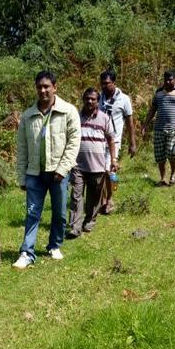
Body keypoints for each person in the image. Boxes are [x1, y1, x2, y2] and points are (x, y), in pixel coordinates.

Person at [13, 70, 81, 268]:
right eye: (39, 87)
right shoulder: (27, 116)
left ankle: (54, 245)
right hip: (34, 173)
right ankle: (27, 252)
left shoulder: (68, 111)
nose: (43, 90)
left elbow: (73, 142)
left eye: (46, 86)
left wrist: (63, 168)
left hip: (59, 173)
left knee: (59, 213)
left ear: (55, 87)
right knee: (33, 213)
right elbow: (22, 148)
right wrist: (22, 177)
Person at [67, 88, 117, 238]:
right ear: (83, 99)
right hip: (77, 165)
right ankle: (75, 227)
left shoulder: (104, 118)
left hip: (98, 166)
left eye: (93, 99)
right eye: (87, 98)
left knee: (94, 197)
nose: (89, 101)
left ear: (97, 101)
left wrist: (113, 160)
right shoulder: (76, 117)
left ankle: (89, 221)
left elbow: (111, 140)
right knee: (76, 196)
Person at [141, 69, 175, 186]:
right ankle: (162, 178)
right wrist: (145, 124)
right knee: (159, 155)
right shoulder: (158, 92)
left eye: (170, 79)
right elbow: (153, 109)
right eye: (166, 80)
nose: (168, 82)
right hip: (159, 128)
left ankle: (172, 176)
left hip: (174, 128)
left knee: (171, 153)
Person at [98, 70, 136, 213]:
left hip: (114, 141)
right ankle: (102, 200)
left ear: (114, 83)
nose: (104, 86)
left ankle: (110, 199)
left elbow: (130, 122)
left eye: (107, 83)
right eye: (102, 84)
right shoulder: (99, 97)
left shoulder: (124, 99)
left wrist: (133, 143)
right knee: (99, 171)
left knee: (109, 171)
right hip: (98, 141)